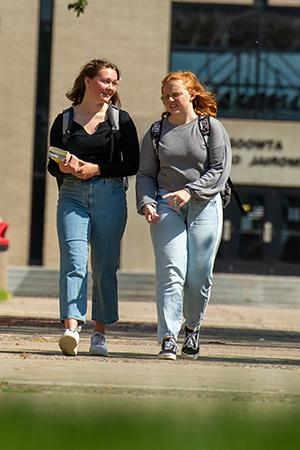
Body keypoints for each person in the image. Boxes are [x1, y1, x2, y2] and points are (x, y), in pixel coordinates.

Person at [135, 71, 232, 360]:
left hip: (204, 205)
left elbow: (219, 170)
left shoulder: (211, 128)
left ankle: (192, 327)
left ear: (191, 94)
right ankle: (168, 336)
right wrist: (146, 202)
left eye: (175, 94)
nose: (170, 100)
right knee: (171, 272)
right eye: (166, 95)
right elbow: (145, 174)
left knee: (199, 275)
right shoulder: (156, 132)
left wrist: (190, 191)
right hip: (167, 205)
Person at [47, 59, 139, 357]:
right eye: (104, 81)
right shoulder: (63, 120)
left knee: (103, 266)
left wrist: (96, 169)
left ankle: (100, 333)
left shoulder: (120, 120)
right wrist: (66, 166)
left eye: (113, 83)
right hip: (72, 195)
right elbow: (51, 164)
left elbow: (132, 164)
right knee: (74, 261)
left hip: (110, 195)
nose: (109, 88)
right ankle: (71, 327)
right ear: (87, 80)